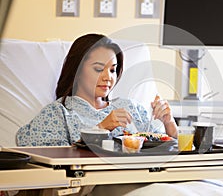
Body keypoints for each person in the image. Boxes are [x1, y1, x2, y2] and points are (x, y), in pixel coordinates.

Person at [16, 33, 177, 147]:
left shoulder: (131, 108)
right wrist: (100, 129)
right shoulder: (60, 113)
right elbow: (35, 151)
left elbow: (167, 148)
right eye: (99, 69)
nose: (108, 77)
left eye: (113, 70)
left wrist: (169, 123)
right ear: (77, 71)